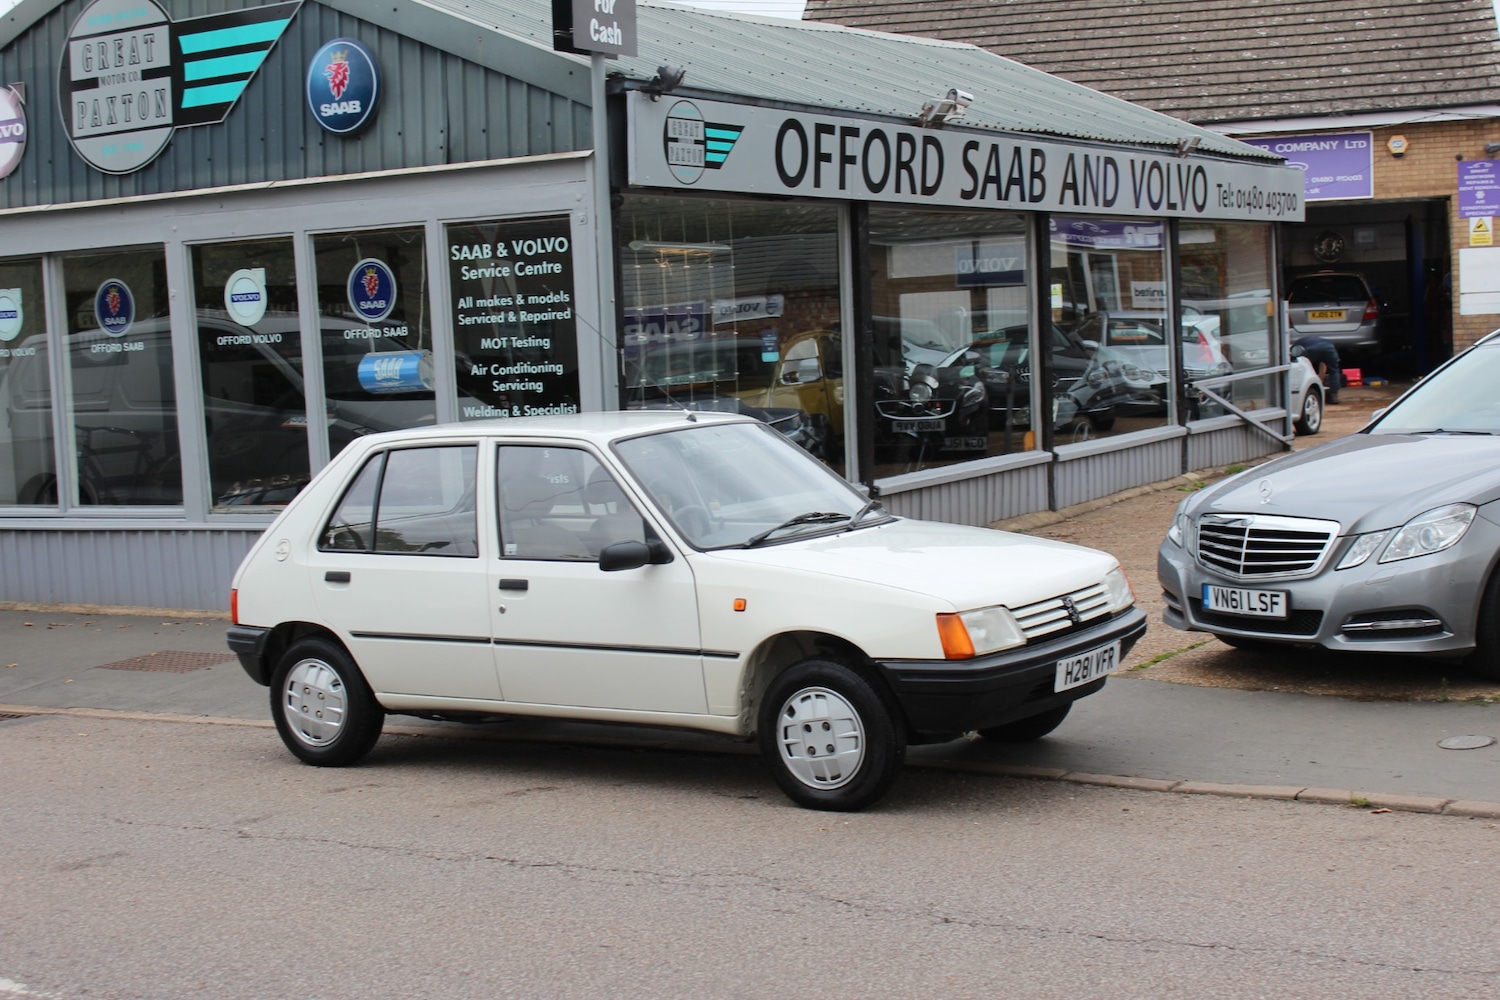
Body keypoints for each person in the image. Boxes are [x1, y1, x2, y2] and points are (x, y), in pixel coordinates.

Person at [1293, 332, 1341, 404]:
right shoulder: (1322, 341)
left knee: (1304, 368)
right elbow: (1323, 364)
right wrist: (1320, 379)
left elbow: (1295, 361)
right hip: (1329, 347)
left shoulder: (1295, 346)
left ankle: (1305, 393)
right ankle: (1334, 396)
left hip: (1311, 348)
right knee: (1334, 371)